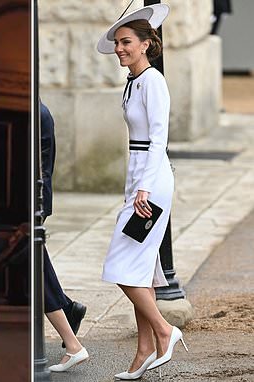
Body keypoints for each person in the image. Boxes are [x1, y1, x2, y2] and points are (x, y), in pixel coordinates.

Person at [97, 4, 188, 380]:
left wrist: (145, 188)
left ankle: (165, 331)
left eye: (127, 42)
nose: (120, 48)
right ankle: (144, 350)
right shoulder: (133, 82)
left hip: (152, 183)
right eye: (117, 42)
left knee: (120, 266)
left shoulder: (153, 82)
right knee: (140, 269)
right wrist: (134, 186)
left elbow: (157, 139)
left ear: (147, 44)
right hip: (137, 181)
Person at [39, 101, 89, 372]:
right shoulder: (39, 109)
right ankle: (69, 312)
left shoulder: (37, 112)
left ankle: (73, 344)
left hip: (32, 201)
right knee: (37, 267)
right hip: (34, 199)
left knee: (36, 269)